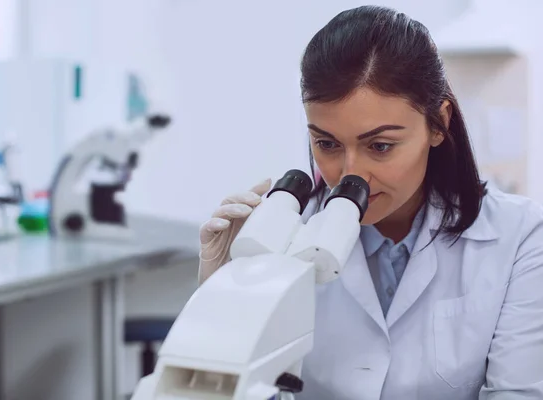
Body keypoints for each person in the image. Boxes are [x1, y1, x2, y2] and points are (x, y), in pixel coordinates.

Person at [198, 5, 543, 400]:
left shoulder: (520, 239)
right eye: (327, 144)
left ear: (438, 124)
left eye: (380, 146)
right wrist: (222, 293)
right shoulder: (285, 238)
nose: (351, 175)